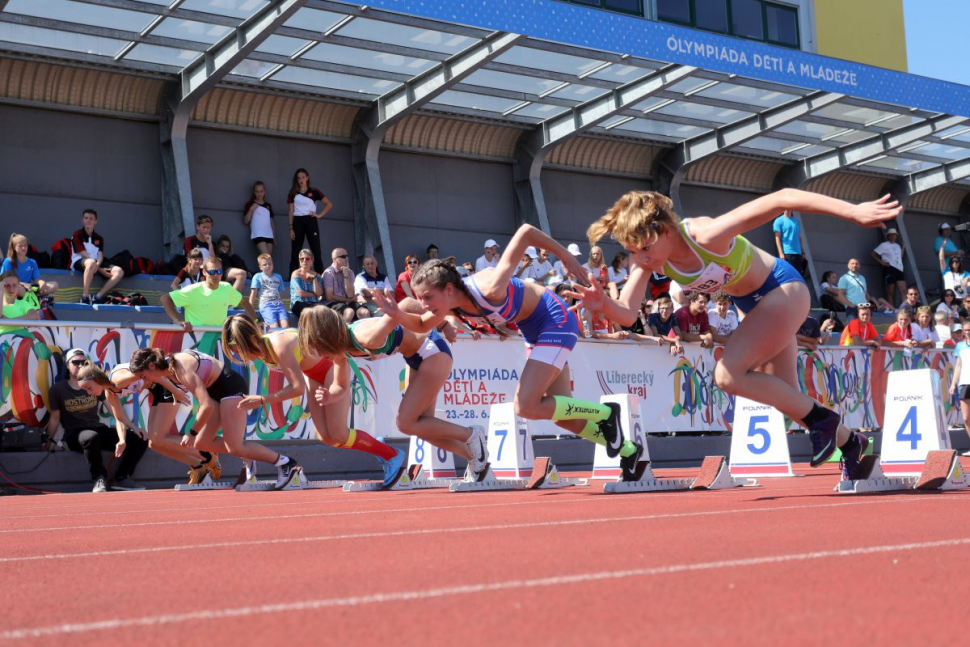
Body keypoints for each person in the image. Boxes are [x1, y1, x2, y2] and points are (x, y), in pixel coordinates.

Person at [574, 189, 900, 482]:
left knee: (727, 376)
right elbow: (629, 313)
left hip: (782, 290)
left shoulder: (704, 234)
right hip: (754, 307)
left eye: (644, 248)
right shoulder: (650, 257)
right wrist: (603, 303)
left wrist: (853, 212)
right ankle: (853, 445)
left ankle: (826, 421)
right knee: (789, 400)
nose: (641, 259)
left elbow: (782, 197)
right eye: (633, 251)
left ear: (664, 229)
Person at [371, 224, 644, 482]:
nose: (423, 304)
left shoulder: (489, 286)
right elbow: (419, 324)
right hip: (534, 331)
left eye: (427, 297)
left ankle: (606, 413)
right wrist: (396, 314)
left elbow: (525, 232)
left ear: (449, 289)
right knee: (564, 416)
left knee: (525, 405)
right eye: (420, 298)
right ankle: (629, 450)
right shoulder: (450, 305)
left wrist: (565, 258)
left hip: (555, 320)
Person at [294, 305, 491, 485]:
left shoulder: (366, 337)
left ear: (328, 337)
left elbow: (406, 304)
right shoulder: (340, 351)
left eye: (318, 347)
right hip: (416, 358)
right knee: (423, 427)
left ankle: (472, 434)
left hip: (432, 351)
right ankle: (476, 459)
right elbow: (341, 387)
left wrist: (443, 323)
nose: (318, 355)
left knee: (405, 423)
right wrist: (331, 396)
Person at [221, 314, 413, 488]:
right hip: (312, 375)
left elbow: (297, 388)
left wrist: (263, 400)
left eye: (240, 350)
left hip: (332, 367)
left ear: (251, 339)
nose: (240, 356)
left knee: (338, 434)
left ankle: (391, 454)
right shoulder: (262, 349)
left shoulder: (279, 345)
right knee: (325, 437)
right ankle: (375, 445)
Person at [130, 347, 301, 489]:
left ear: (152, 365)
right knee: (202, 444)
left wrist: (191, 432)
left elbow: (207, 406)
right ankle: (248, 454)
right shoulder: (168, 369)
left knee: (233, 447)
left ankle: (286, 463)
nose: (144, 381)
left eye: (143, 376)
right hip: (216, 395)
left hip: (230, 389)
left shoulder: (179, 367)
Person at [75, 361, 221, 485]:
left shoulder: (118, 379)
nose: (89, 393)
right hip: (157, 390)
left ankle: (207, 454)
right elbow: (119, 418)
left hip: (166, 385)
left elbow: (153, 375)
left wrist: (175, 390)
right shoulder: (110, 393)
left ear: (96, 378)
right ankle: (198, 466)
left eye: (88, 387)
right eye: (85, 390)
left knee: (158, 439)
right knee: (153, 443)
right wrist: (121, 440)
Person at [47, 348, 148, 492]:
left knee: (140, 438)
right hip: (75, 433)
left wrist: (133, 428)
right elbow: (54, 419)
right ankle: (99, 478)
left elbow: (115, 412)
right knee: (91, 437)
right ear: (67, 365)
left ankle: (122, 478)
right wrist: (47, 442)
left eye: (84, 362)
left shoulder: (95, 385)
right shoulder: (58, 389)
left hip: (97, 428)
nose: (80, 365)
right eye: (76, 362)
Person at [162, 256, 257, 332]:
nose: (216, 275)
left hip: (218, 340)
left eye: (219, 272)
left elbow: (244, 302)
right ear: (204, 272)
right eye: (212, 272)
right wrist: (177, 321)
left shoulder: (227, 288)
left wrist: (256, 321)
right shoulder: (194, 290)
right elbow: (165, 298)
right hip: (196, 339)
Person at [70, 208, 125, 304]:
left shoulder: (99, 238)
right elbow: (84, 254)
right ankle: (85, 297)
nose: (88, 220)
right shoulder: (77, 234)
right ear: (82, 220)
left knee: (119, 271)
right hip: (81, 261)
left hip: (95, 263)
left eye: (91, 218)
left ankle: (97, 297)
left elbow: (100, 254)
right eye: (86, 218)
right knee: (91, 262)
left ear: (96, 222)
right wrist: (99, 269)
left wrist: (98, 265)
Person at [183, 215, 247, 292]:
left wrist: (209, 244)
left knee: (242, 273)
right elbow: (189, 258)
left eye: (208, 227)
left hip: (214, 271)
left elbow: (213, 260)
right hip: (200, 271)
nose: (206, 230)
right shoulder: (190, 240)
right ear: (198, 227)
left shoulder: (212, 243)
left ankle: (232, 301)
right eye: (204, 227)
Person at [287, 168, 332, 274]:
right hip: (297, 221)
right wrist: (290, 228)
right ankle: (292, 279)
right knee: (295, 253)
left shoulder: (314, 192)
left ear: (307, 178)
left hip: (311, 221)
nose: (301, 180)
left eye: (303, 177)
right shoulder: (293, 193)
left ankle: (320, 278)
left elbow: (329, 204)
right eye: (299, 178)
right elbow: (290, 211)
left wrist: (319, 215)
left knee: (316, 251)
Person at [3, 233, 57, 299]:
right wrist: (22, 284)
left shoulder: (32, 262)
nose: (23, 248)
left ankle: (34, 297)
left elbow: (37, 279)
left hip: (29, 288)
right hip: (16, 287)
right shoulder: (8, 261)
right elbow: (5, 280)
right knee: (17, 288)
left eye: (25, 245)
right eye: (20, 246)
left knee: (54, 284)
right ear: (14, 247)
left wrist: (42, 283)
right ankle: (35, 298)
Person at [949, 319, 970, 456]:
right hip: (964, 383)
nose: (968, 332)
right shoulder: (960, 346)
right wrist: (953, 383)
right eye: (966, 330)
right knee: (966, 418)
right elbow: (958, 365)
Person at [322, 247, 360, 323]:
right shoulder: (329, 273)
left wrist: (346, 275)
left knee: (364, 312)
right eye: (343, 256)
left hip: (347, 302)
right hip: (332, 303)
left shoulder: (350, 272)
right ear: (334, 259)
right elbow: (329, 297)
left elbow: (350, 295)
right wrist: (348, 300)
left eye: (347, 256)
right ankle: (341, 333)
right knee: (349, 312)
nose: (347, 258)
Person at [250, 253, 288, 329]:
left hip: (279, 304)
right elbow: (253, 293)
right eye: (265, 264)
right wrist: (251, 309)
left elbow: (280, 293)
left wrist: (281, 304)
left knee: (285, 326)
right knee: (274, 327)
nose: (268, 266)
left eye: (270, 264)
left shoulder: (278, 277)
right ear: (260, 267)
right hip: (266, 304)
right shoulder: (258, 276)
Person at [871, 228, 906, 307]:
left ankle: (904, 308)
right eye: (891, 235)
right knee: (891, 291)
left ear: (896, 236)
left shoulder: (897, 245)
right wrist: (881, 262)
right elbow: (873, 253)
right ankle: (891, 309)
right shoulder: (884, 245)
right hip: (889, 268)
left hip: (899, 268)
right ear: (888, 236)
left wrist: (903, 247)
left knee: (903, 290)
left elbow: (900, 256)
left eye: (894, 235)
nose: (893, 236)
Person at [243, 180, 275, 256]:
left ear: (264, 192)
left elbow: (271, 222)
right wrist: (251, 209)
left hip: (269, 234)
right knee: (266, 257)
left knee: (267, 259)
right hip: (258, 234)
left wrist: (274, 237)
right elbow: (246, 221)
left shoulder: (268, 206)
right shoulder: (250, 204)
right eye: (257, 192)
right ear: (254, 192)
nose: (259, 194)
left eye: (261, 191)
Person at [290, 249, 322, 319]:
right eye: (302, 259)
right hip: (298, 303)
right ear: (299, 261)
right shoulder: (296, 274)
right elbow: (301, 294)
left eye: (307, 259)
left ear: (312, 260)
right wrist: (314, 294)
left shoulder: (317, 275)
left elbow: (319, 293)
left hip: (314, 303)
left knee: (324, 312)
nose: (304, 261)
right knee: (309, 313)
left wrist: (314, 279)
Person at [773, 209, 804, 276]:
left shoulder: (796, 221)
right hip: (787, 252)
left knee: (798, 275)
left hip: (798, 253)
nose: (787, 210)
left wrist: (803, 252)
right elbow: (777, 238)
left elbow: (799, 237)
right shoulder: (779, 221)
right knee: (789, 274)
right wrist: (781, 253)